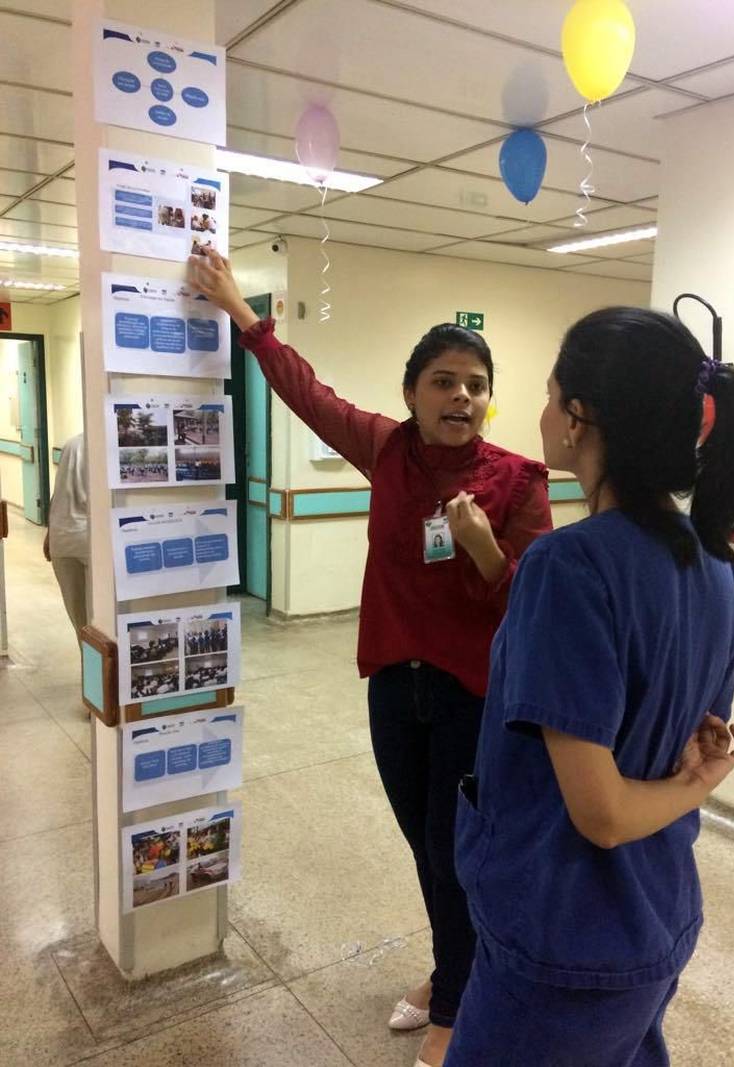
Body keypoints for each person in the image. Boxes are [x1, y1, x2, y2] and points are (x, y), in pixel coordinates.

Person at [188, 248, 553, 1067]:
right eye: (445, 381)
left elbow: (535, 605)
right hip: (394, 681)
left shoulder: (519, 483)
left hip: (471, 693)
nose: (462, 396)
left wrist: (487, 549)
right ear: (412, 393)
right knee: (424, 843)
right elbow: (308, 394)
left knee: (454, 846)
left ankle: (456, 1004)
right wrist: (246, 318)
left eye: (476, 384)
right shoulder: (387, 450)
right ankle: (452, 963)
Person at [444, 307, 734, 1066]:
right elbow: (693, 730)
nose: (542, 410)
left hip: (563, 940)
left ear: (579, 416)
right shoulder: (716, 567)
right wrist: (696, 773)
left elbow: (605, 813)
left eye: (551, 391)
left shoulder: (572, 565)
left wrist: (703, 782)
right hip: (653, 918)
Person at [43, 432, 89, 644]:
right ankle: (96, 677)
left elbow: (58, 493)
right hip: (89, 541)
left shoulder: (71, 444)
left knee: (81, 626)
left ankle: (90, 676)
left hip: (62, 540)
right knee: (100, 629)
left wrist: (50, 533)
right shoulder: (100, 447)